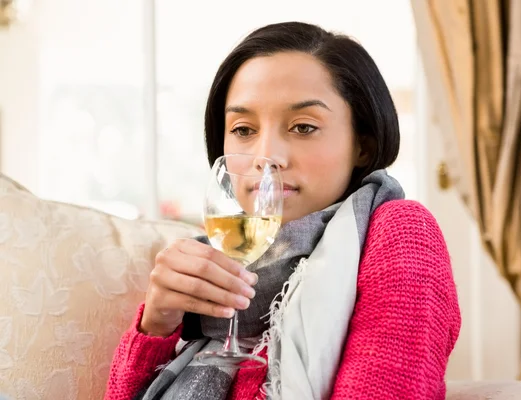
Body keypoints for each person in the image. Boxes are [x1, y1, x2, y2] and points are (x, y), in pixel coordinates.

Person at [104, 21, 461, 400]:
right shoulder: (210, 259)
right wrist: (157, 324)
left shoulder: (399, 232)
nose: (266, 156)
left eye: (303, 127)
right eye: (243, 129)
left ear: (364, 146)